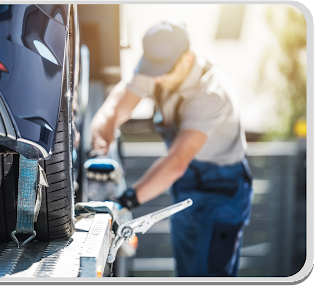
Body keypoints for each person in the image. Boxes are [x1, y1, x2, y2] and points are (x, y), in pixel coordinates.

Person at [90, 20, 254, 277]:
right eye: (152, 69)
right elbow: (116, 106)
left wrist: (126, 201)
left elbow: (177, 160)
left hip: (222, 190)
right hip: (186, 186)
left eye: (163, 71)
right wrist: (101, 132)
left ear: (187, 59)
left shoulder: (210, 93)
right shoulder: (156, 69)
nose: (156, 77)